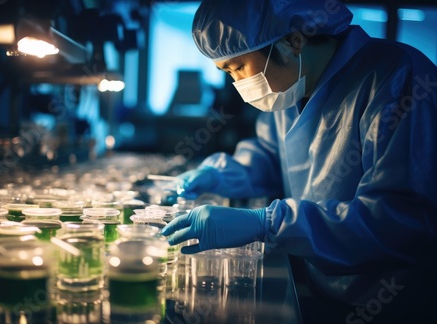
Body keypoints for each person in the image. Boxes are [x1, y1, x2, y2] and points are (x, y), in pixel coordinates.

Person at [161, 0, 437, 322]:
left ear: (294, 40)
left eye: (237, 67)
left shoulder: (397, 78)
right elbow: (272, 156)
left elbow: (398, 221)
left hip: (395, 301)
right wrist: (218, 175)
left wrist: (266, 223)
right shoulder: (293, 85)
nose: (237, 84)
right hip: (324, 287)